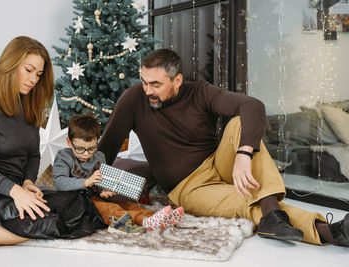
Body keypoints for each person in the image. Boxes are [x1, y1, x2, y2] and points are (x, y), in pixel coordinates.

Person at [98, 48, 349, 247]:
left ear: (177, 80)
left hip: (221, 163)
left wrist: (242, 155)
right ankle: (330, 232)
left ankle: (273, 217)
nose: (147, 91)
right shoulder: (133, 100)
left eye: (156, 84)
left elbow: (253, 106)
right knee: (251, 202)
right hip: (190, 186)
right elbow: (106, 149)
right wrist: (89, 184)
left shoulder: (200, 92)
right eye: (144, 82)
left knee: (241, 122)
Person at [0, 36, 106, 254]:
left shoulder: (29, 107)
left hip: (15, 187)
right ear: (10, 64)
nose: (33, 79)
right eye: (29, 70)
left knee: (77, 204)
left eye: (39, 74)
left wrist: (28, 183)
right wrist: (16, 192)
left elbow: (33, 155)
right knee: (40, 216)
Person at [52, 113, 184, 233]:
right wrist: (85, 182)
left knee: (126, 204)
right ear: (69, 142)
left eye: (91, 148)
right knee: (109, 209)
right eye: (80, 149)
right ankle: (145, 221)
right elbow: (59, 182)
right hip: (76, 202)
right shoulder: (64, 157)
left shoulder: (99, 157)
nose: (86, 154)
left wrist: (104, 190)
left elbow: (101, 182)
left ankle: (157, 218)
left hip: (95, 196)